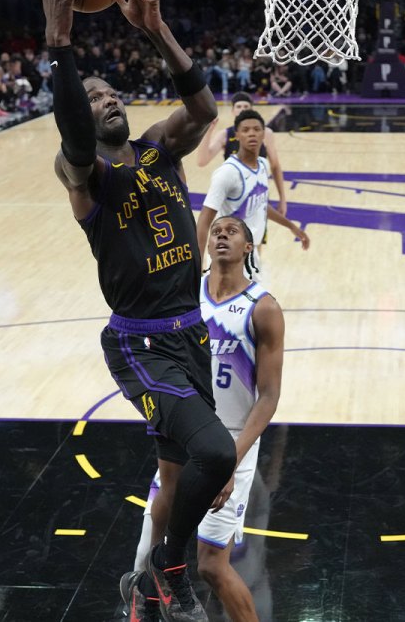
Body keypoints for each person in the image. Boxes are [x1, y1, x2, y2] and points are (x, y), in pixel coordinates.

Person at [40, 0, 233, 622]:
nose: (108, 99)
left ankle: (153, 580)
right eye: (93, 99)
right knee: (217, 449)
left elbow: (205, 108)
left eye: (110, 92)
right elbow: (69, 131)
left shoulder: (157, 147)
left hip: (189, 331)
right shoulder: (83, 173)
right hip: (140, 342)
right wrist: (60, 44)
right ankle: (165, 568)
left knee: (186, 471)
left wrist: (156, 28)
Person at [131, 215, 287, 622]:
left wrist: (228, 461)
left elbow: (269, 397)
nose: (221, 234)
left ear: (248, 248)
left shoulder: (263, 308)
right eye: (217, 230)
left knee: (211, 565)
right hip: (185, 434)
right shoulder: (185, 296)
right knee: (148, 553)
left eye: (232, 231)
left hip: (234, 439)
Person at [197, 109, 309, 279]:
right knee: (262, 305)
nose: (252, 134)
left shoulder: (263, 165)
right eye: (246, 130)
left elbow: (260, 205)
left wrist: (291, 226)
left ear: (264, 134)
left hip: (249, 253)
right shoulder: (227, 173)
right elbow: (204, 222)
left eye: (256, 130)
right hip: (226, 257)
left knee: (260, 303)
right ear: (237, 135)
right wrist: (197, 265)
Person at [196, 92, 288, 217]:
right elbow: (202, 161)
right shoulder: (225, 134)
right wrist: (208, 131)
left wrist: (282, 199)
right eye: (239, 107)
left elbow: (275, 166)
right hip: (233, 196)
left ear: (252, 110)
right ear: (233, 111)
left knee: (258, 235)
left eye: (246, 107)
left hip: (257, 194)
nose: (242, 109)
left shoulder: (266, 133)